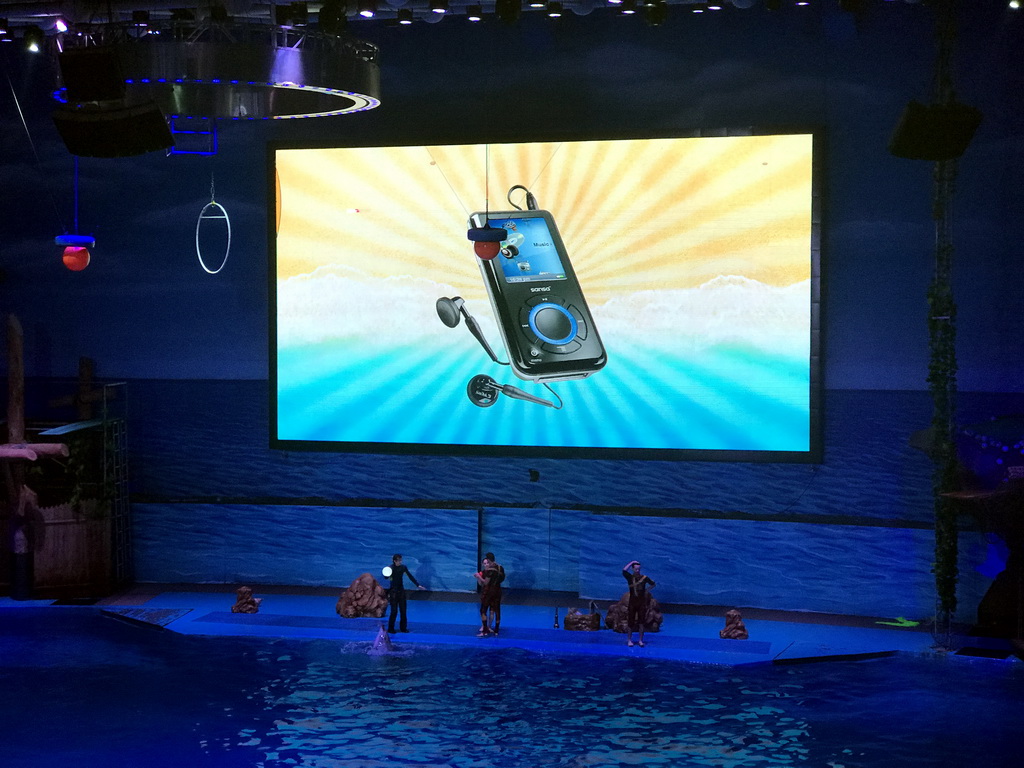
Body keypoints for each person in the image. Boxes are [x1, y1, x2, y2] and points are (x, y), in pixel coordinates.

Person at [385, 553, 426, 633]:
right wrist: (387, 573)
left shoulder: (403, 568)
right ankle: (391, 628)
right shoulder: (390, 568)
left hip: (401, 591)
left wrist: (418, 585)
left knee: (403, 611)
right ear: (394, 561)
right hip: (393, 591)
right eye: (399, 560)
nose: (400, 562)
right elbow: (386, 577)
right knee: (394, 611)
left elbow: (410, 576)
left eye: (401, 560)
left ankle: (403, 628)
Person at [622, 559, 656, 647]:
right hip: (632, 603)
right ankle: (629, 640)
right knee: (630, 622)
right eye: (636, 569)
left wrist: (646, 590)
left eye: (639, 569)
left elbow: (653, 584)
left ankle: (640, 640)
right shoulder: (630, 578)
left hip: (641, 603)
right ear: (633, 569)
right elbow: (624, 570)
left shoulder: (644, 578)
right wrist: (631, 562)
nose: (637, 571)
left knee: (641, 622)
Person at [474, 552, 505, 637]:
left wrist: (478, 577)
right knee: (496, 610)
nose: (486, 563)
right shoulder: (500, 568)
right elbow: (502, 578)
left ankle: (485, 630)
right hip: (498, 591)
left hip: (489, 592)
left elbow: (485, 583)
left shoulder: (490, 570)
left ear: (488, 560)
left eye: (487, 561)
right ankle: (496, 630)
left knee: (483, 611)